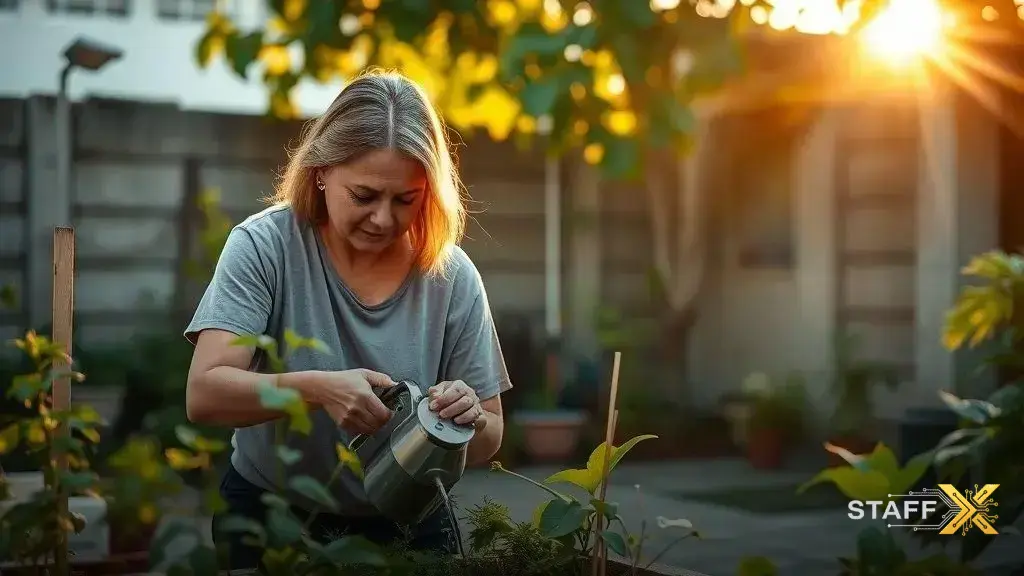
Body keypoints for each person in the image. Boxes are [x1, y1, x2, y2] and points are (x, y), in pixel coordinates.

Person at [183, 70, 512, 571]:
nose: (383, 219)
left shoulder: (451, 275)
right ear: (320, 172)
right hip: (274, 516)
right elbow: (205, 395)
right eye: (364, 196)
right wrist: (317, 389)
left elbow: (491, 435)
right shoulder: (265, 247)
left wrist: (464, 419)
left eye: (406, 199)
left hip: (408, 523)